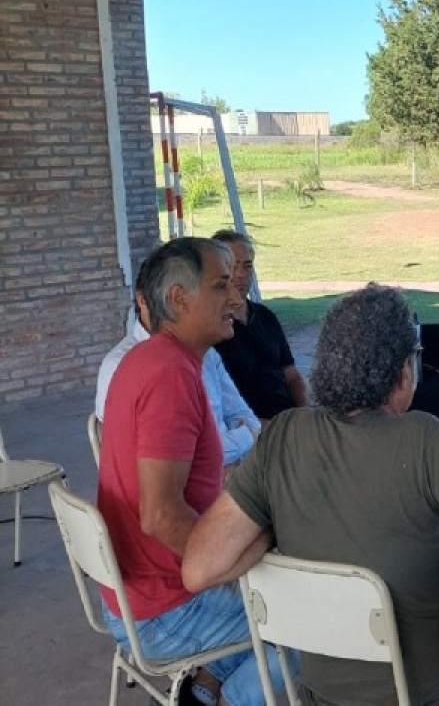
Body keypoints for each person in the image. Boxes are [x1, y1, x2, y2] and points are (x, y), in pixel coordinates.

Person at [183, 284, 439, 706]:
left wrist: (275, 532)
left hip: (322, 698)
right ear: (403, 372)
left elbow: (198, 568)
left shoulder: (283, 435)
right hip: (433, 695)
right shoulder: (422, 437)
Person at [97, 237, 287, 706]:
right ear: (179, 299)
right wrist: (239, 559)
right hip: (162, 610)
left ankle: (201, 691)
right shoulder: (170, 374)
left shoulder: (150, 358)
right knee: (309, 622)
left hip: (137, 592)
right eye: (221, 286)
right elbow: (161, 516)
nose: (237, 297)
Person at [96, 271, 261, 469]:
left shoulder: (205, 352)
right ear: (143, 300)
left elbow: (248, 420)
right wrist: (243, 439)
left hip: (232, 471)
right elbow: (178, 457)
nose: (234, 300)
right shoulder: (122, 365)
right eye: (175, 299)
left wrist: (233, 456)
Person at [210, 229, 308, 419]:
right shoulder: (211, 326)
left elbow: (292, 375)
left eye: (247, 266)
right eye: (233, 266)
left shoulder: (265, 316)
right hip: (244, 428)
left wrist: (303, 414)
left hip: (288, 421)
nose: (241, 274)